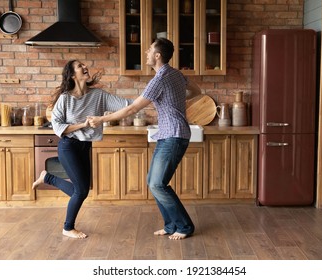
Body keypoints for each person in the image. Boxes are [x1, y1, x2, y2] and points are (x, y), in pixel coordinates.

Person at [88, 38, 202, 240]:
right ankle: (170, 225)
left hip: (173, 134)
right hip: (172, 133)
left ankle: (184, 227)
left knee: (157, 184)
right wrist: (175, 99)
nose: (146, 53)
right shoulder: (176, 74)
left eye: (149, 50)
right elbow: (196, 91)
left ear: (158, 55)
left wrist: (101, 119)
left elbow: (133, 109)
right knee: (154, 181)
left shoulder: (159, 79)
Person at [32, 60, 133, 239]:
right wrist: (83, 124)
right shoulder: (65, 98)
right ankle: (68, 227)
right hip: (68, 146)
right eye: (80, 66)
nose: (85, 67)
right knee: (80, 191)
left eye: (84, 65)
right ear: (72, 75)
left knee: (82, 191)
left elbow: (127, 104)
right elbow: (58, 127)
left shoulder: (98, 96)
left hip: (85, 146)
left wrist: (150, 99)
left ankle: (47, 177)